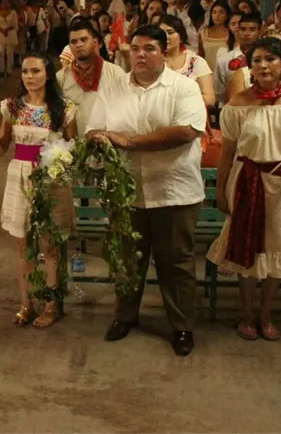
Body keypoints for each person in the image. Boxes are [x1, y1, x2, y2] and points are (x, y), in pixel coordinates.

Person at [87, 24, 206, 356]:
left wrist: (128, 142)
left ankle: (181, 327)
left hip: (174, 192)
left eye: (149, 48)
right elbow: (93, 129)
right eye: (135, 49)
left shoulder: (184, 87)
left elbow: (186, 131)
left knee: (176, 263)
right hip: (127, 192)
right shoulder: (112, 89)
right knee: (127, 260)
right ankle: (125, 316)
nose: (140, 55)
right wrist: (98, 139)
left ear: (164, 53)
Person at [206, 37, 281, 341]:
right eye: (257, 60)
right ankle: (246, 314)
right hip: (248, 181)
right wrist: (220, 190)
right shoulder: (238, 104)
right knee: (248, 251)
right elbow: (228, 152)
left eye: (270, 59)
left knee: (278, 249)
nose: (263, 65)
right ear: (250, 67)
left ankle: (267, 313)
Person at [0, 53, 76, 328]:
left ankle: (52, 305)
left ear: (48, 73)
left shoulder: (64, 109)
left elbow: (73, 147)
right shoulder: (12, 107)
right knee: (22, 245)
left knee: (49, 246)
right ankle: (26, 302)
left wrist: (60, 162)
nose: (29, 77)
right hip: (19, 177)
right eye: (25, 71)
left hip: (50, 181)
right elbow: (3, 146)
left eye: (35, 71)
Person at [57, 19, 126, 137]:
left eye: (83, 40)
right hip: (73, 144)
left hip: (109, 143)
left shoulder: (116, 73)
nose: (79, 45)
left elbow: (126, 110)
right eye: (73, 42)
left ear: (95, 42)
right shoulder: (61, 77)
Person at [159, 14, 217, 106]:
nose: (166, 37)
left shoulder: (196, 62)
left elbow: (210, 99)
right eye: (161, 33)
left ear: (181, 37)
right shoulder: (152, 62)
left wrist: (177, 100)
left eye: (170, 32)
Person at [215, 13, 263, 105]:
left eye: (252, 30)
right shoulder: (224, 60)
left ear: (259, 32)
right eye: (243, 29)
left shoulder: (267, 60)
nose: (246, 33)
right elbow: (219, 92)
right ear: (238, 31)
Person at [198, 1, 235, 72]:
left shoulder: (232, 32)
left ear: (227, 15)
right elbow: (201, 55)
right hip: (207, 71)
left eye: (221, 12)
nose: (217, 15)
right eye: (214, 12)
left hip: (226, 72)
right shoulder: (203, 32)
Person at [0, 0, 19, 76]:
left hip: (10, 34)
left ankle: (9, 70)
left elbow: (15, 24)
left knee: (9, 53)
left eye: (6, 3)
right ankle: (1, 70)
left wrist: (7, 29)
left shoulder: (13, 12)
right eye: (3, 3)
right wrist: (2, 30)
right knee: (0, 52)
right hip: (0, 34)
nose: (4, 5)